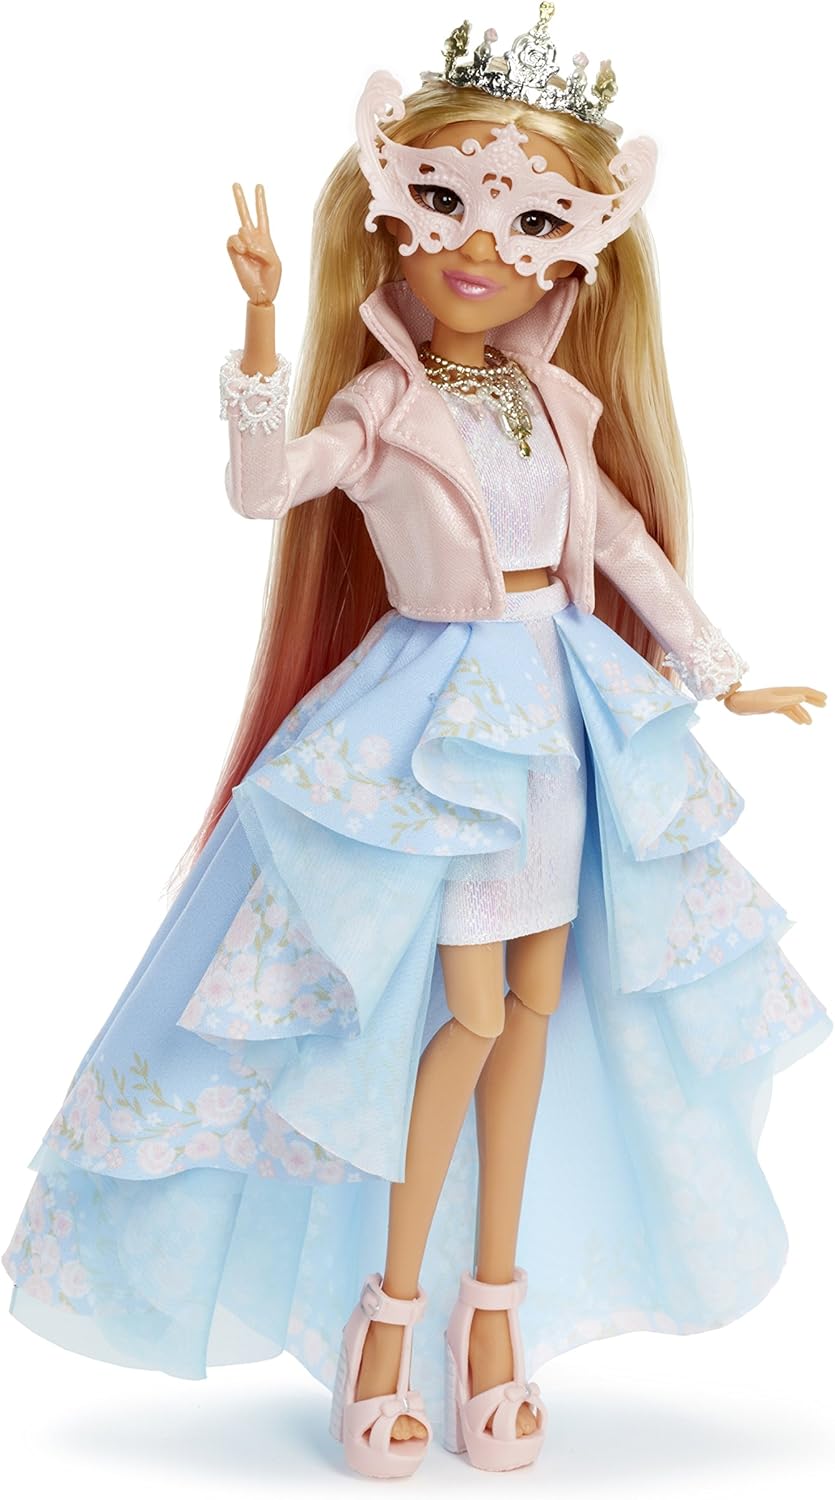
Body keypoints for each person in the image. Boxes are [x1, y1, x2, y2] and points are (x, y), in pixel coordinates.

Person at [3, 5, 829, 1480]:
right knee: (472, 1021)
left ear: (575, 251)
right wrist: (262, 327)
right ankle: (389, 1318)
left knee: (534, 1015)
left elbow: (623, 546)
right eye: (447, 205)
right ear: (391, 216)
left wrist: (725, 674)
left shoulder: (554, 398)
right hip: (439, 730)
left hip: (564, 723)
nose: (481, 246)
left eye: (529, 222)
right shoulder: (386, 401)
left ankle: (490, 1314)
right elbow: (266, 487)